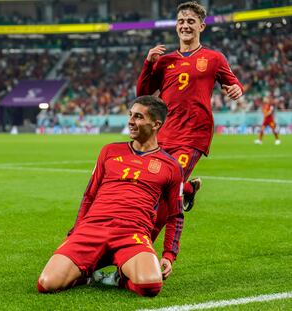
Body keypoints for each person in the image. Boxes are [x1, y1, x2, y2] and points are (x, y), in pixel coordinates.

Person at [37, 95, 184, 297]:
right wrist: (76, 231)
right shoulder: (109, 151)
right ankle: (86, 275)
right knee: (47, 284)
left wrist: (169, 254)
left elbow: (176, 215)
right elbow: (89, 195)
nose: (131, 121)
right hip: (93, 227)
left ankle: (119, 278)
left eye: (139, 117)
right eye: (130, 115)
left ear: (156, 124)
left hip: (132, 232)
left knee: (150, 285)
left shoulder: (171, 166)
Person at [136, 1, 243, 215]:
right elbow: (143, 94)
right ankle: (189, 188)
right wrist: (148, 63)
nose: (185, 25)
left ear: (201, 26)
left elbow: (233, 83)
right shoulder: (164, 61)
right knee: (156, 181)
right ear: (176, 26)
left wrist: (236, 90)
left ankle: (157, 243)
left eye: (191, 21)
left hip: (194, 133)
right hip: (165, 131)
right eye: (181, 21)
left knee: (164, 187)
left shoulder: (214, 58)